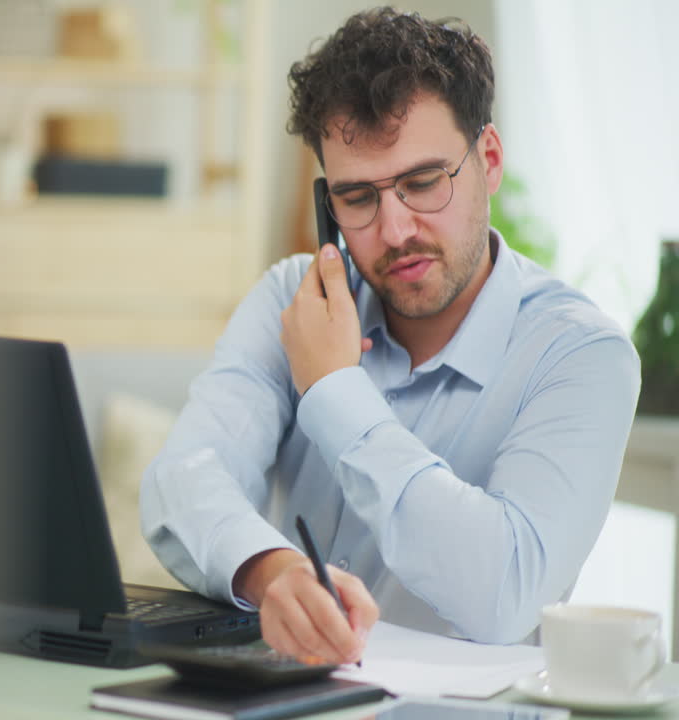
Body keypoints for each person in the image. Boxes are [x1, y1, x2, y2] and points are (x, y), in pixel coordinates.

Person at [140, 7, 640, 665]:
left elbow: (506, 593)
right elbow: (182, 480)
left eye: (423, 182)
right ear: (328, 204)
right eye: (358, 198)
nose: (396, 228)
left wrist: (335, 391)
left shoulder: (583, 356)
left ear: (487, 161)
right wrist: (274, 571)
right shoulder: (294, 301)